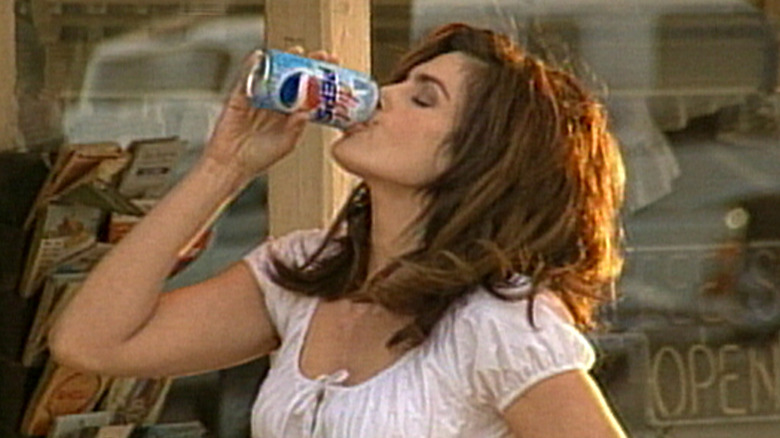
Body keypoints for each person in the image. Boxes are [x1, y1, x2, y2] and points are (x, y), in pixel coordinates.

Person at [50, 23, 628, 437]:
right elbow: (92, 342)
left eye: (422, 99)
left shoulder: (496, 324)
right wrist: (224, 168)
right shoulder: (302, 279)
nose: (383, 96)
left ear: (478, 160)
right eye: (399, 81)